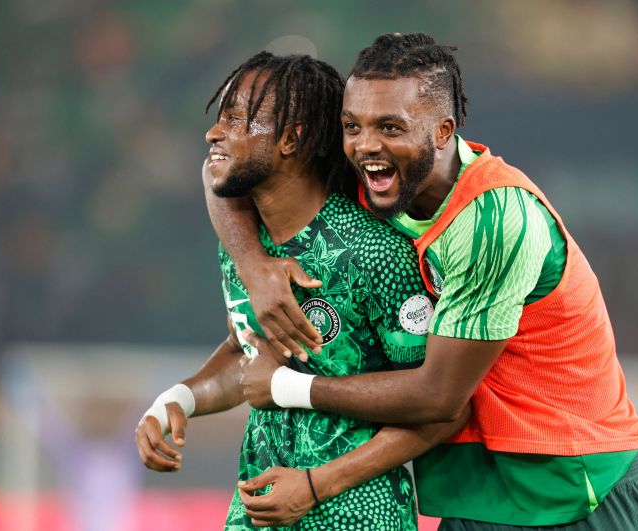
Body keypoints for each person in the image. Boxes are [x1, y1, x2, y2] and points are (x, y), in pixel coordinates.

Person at [214, 34, 638, 530]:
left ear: (442, 130)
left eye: (390, 127)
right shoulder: (375, 174)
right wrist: (252, 265)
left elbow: (438, 397)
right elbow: (224, 167)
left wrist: (286, 386)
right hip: (480, 494)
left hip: (582, 487)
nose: (367, 145)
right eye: (353, 126)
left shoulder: (493, 221)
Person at [135, 50, 468, 530]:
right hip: (259, 509)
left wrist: (316, 484)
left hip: (354, 515)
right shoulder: (243, 243)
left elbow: (440, 411)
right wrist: (178, 399)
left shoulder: (375, 254)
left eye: (235, 119)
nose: (213, 132)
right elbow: (247, 353)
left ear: (291, 138)